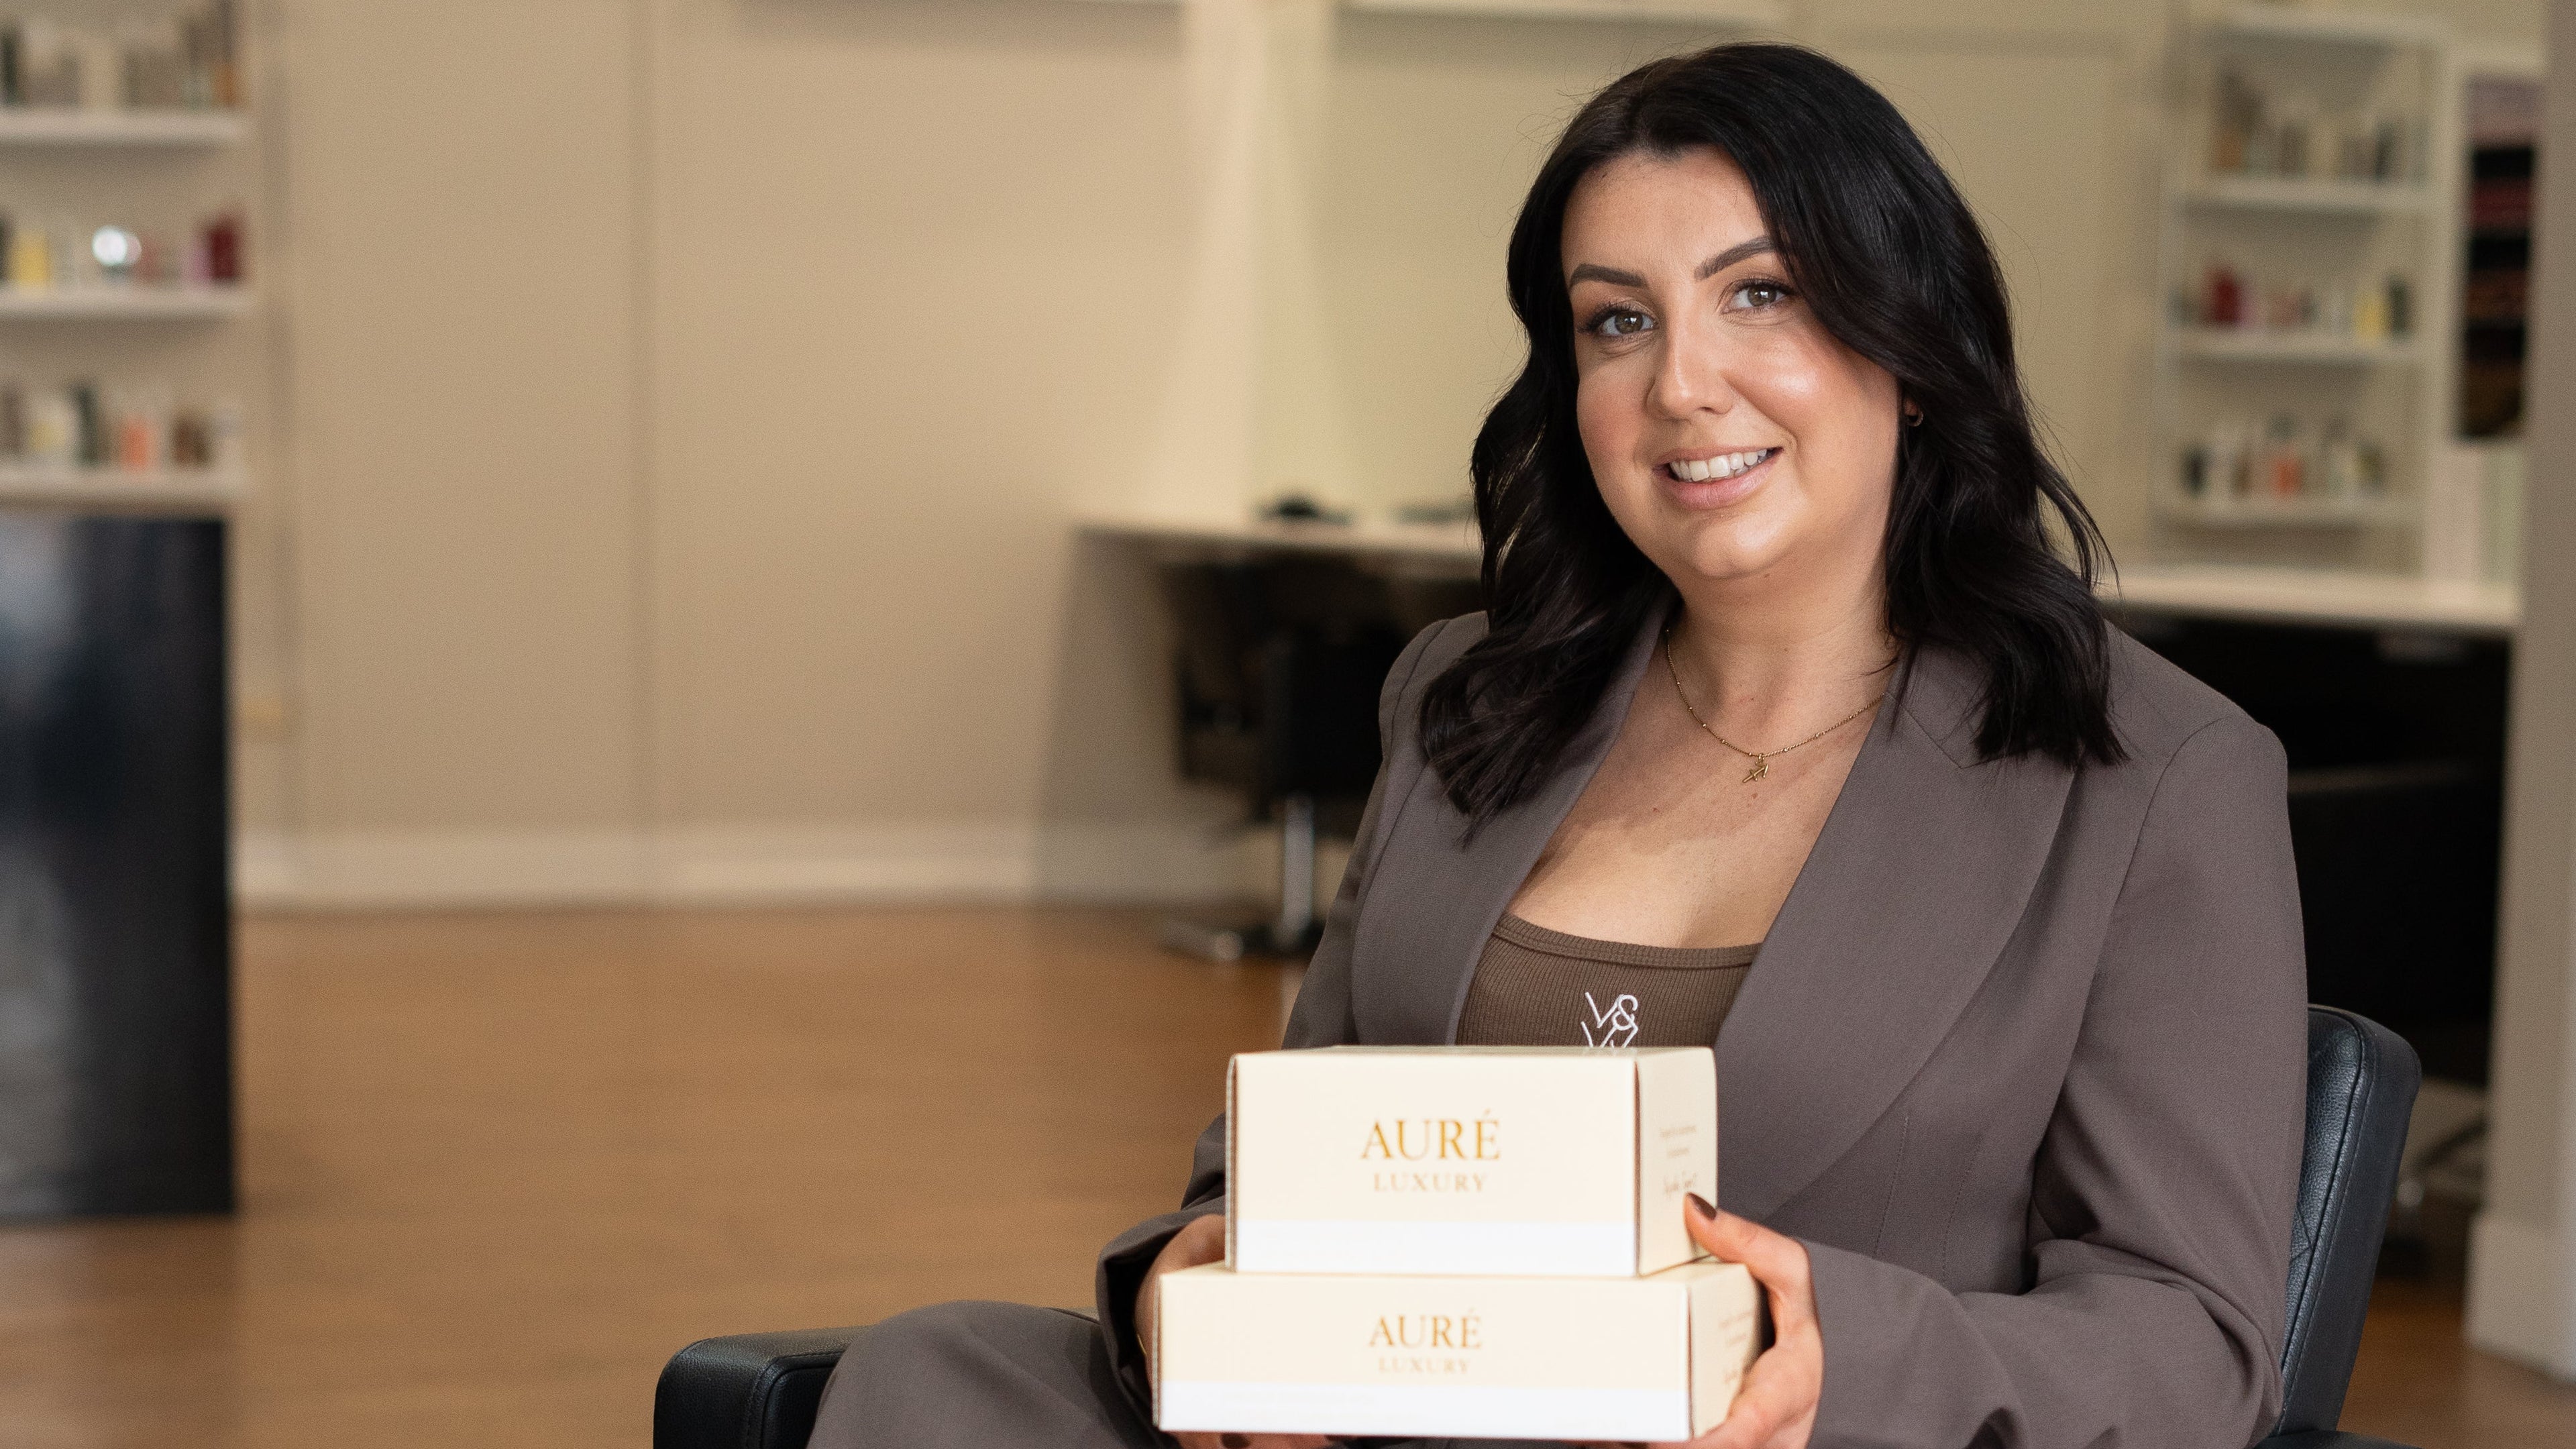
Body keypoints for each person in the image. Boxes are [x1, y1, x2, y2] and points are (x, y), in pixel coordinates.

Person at [806, 41, 2304, 1449]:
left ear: (1911, 345)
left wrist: (1841, 1358)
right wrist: (1198, 1267)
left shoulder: (2157, 778)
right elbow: (1296, 1140)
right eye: (1619, 320)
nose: (1682, 385)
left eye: (1762, 295)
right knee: (928, 1374)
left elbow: (2192, 1340)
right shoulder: (1466, 696)